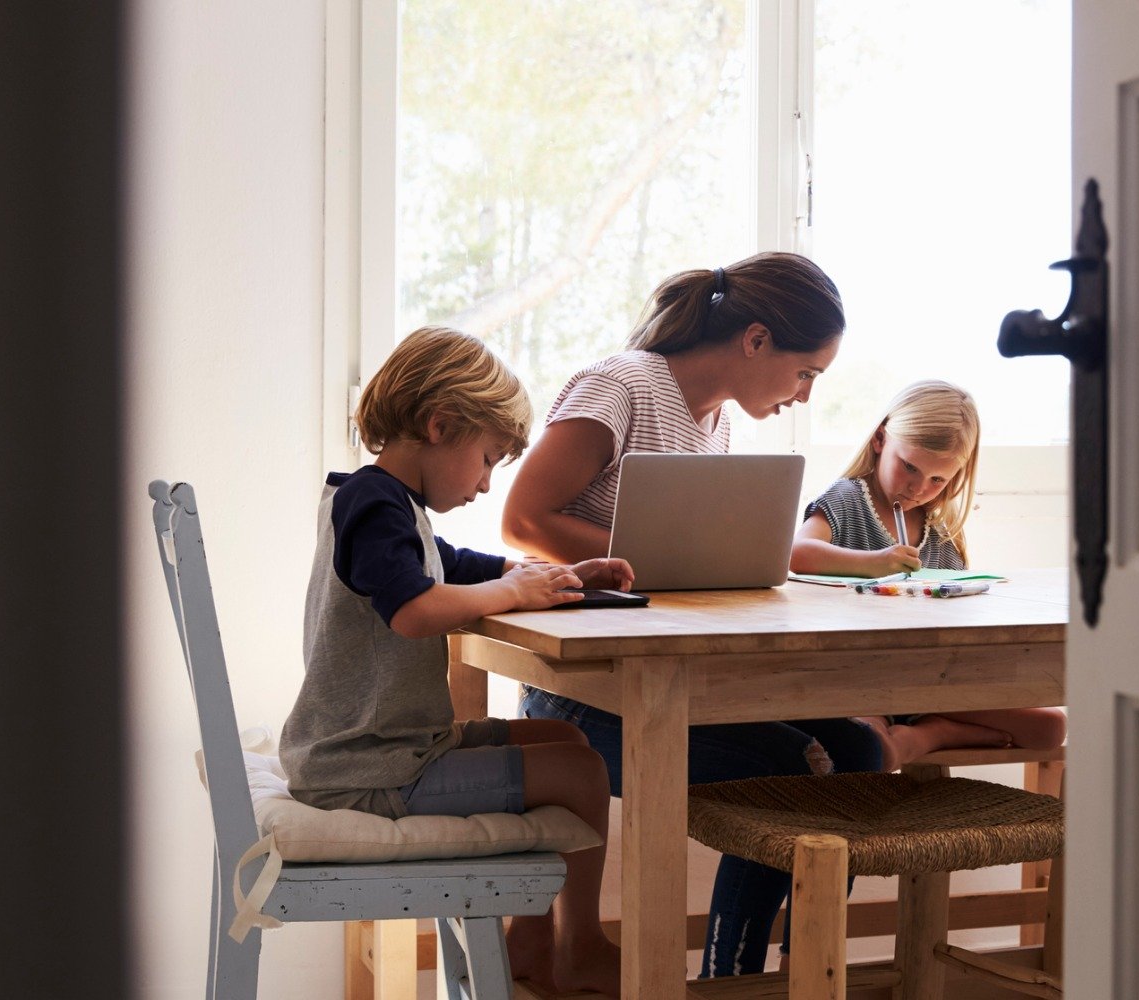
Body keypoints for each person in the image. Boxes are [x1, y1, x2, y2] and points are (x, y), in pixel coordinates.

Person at [500, 251, 880, 977]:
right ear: (757, 339)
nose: (803, 395)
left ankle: (799, 977)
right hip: (586, 695)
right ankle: (732, 979)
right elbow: (522, 519)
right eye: (806, 372)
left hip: (676, 683)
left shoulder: (715, 427)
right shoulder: (621, 387)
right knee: (797, 767)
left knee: (860, 751)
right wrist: (647, 558)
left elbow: (678, 567)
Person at [278, 327, 631, 996]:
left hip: (384, 749)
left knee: (567, 737)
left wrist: (550, 574)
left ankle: (530, 942)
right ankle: (577, 945)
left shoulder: (380, 503)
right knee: (584, 770)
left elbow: (449, 564)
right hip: (371, 769)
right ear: (441, 425)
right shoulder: (373, 503)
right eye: (489, 458)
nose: (487, 484)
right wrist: (510, 592)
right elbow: (413, 608)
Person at [790, 379, 1068, 771]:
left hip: (933, 682)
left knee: (1050, 728)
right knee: (869, 747)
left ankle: (935, 731)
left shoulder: (939, 528)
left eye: (938, 479)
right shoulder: (848, 499)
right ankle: (934, 733)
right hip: (861, 682)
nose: (919, 488)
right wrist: (876, 562)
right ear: (880, 439)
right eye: (910, 467)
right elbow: (796, 554)